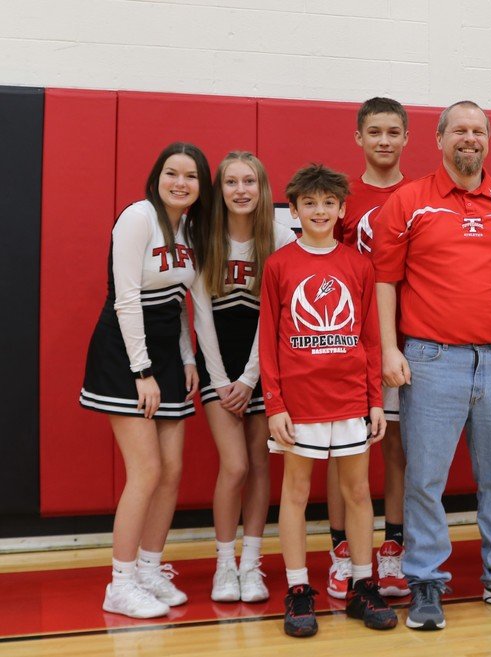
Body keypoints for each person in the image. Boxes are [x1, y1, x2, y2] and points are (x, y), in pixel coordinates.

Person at [372, 100, 491, 631]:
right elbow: (384, 281)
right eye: (459, 130)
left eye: (478, 131)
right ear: (439, 139)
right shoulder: (409, 202)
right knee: (425, 480)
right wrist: (389, 348)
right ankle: (426, 578)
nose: (469, 138)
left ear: (489, 141)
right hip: (430, 359)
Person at [260, 164, 396, 637]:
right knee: (295, 494)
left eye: (328, 203)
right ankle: (298, 589)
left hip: (351, 400)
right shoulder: (279, 265)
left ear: (341, 210)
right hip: (300, 404)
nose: (319, 210)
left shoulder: (359, 265)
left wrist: (375, 400)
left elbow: (371, 340)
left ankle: (362, 584)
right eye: (310, 203)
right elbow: (268, 342)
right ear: (294, 210)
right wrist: (275, 404)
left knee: (357, 493)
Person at [80, 142, 212, 618]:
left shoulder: (191, 230)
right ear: (157, 178)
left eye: (191, 176)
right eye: (172, 173)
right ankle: (120, 582)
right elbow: (126, 299)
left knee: (172, 469)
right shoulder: (137, 218)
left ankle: (150, 569)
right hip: (125, 354)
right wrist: (142, 371)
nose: (181, 183)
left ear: (201, 186)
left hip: (167, 356)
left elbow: (180, 302)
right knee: (147, 470)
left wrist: (188, 358)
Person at [192, 151, 295, 603]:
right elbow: (200, 315)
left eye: (249, 181)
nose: (240, 190)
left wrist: (252, 377)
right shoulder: (203, 236)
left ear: (262, 187)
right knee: (233, 466)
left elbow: (274, 316)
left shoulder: (280, 235)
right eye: (231, 182)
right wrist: (219, 380)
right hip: (218, 365)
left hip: (263, 364)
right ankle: (224, 564)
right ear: (220, 190)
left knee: (258, 463)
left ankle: (251, 564)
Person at [325, 97, 412, 601]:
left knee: (396, 448)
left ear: (406, 139)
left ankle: (393, 549)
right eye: (374, 131)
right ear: (359, 137)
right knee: (344, 451)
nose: (383, 140)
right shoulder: (341, 198)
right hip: (347, 344)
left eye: (393, 132)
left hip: (404, 342)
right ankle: (342, 552)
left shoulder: (419, 195)